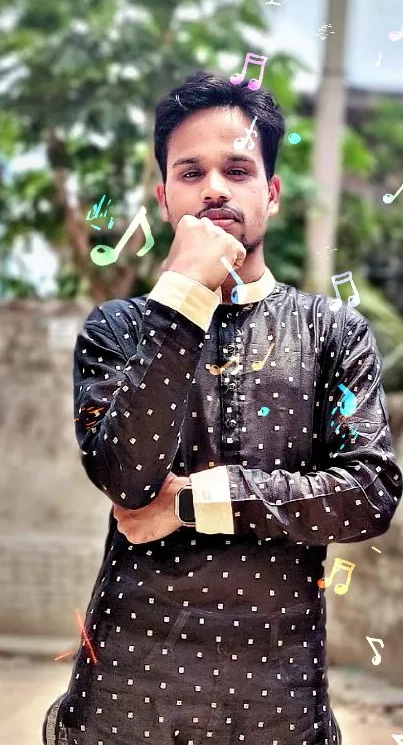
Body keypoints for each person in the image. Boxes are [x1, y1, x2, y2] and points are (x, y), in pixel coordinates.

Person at [42, 70, 402, 745]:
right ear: (163, 195)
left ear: (269, 191)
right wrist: (181, 295)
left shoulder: (330, 331)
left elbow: (369, 491)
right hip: (127, 702)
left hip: (278, 706)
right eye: (190, 172)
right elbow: (123, 475)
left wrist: (193, 501)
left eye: (236, 168)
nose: (213, 187)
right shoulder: (118, 330)